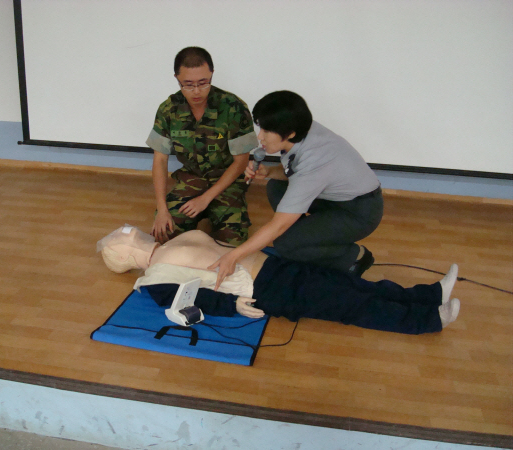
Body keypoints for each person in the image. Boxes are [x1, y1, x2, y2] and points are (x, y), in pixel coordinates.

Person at [98, 226, 461, 335]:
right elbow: (184, 301)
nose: (134, 234)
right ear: (125, 259)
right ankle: (426, 320)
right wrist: (232, 305)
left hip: (274, 265)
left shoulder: (175, 240)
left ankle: (428, 295)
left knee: (350, 285)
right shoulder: (154, 279)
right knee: (348, 304)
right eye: (125, 239)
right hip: (266, 289)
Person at [209, 91, 384, 290]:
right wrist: (269, 171)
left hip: (359, 212)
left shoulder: (315, 157)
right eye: (261, 128)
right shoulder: (300, 129)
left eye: (267, 130)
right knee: (276, 186)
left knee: (285, 243)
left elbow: (279, 225)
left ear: (290, 133)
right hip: (333, 197)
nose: (260, 136)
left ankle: (354, 257)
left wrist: (233, 256)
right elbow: (294, 171)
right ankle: (306, 241)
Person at [146, 47, 259, 246]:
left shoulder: (233, 107)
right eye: (188, 85)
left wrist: (205, 199)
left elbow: (241, 162)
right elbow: (160, 160)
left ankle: (214, 212)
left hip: (226, 180)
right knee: (165, 235)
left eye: (203, 83)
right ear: (177, 78)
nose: (197, 91)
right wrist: (162, 209)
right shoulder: (168, 109)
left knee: (232, 242)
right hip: (191, 179)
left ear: (212, 75)